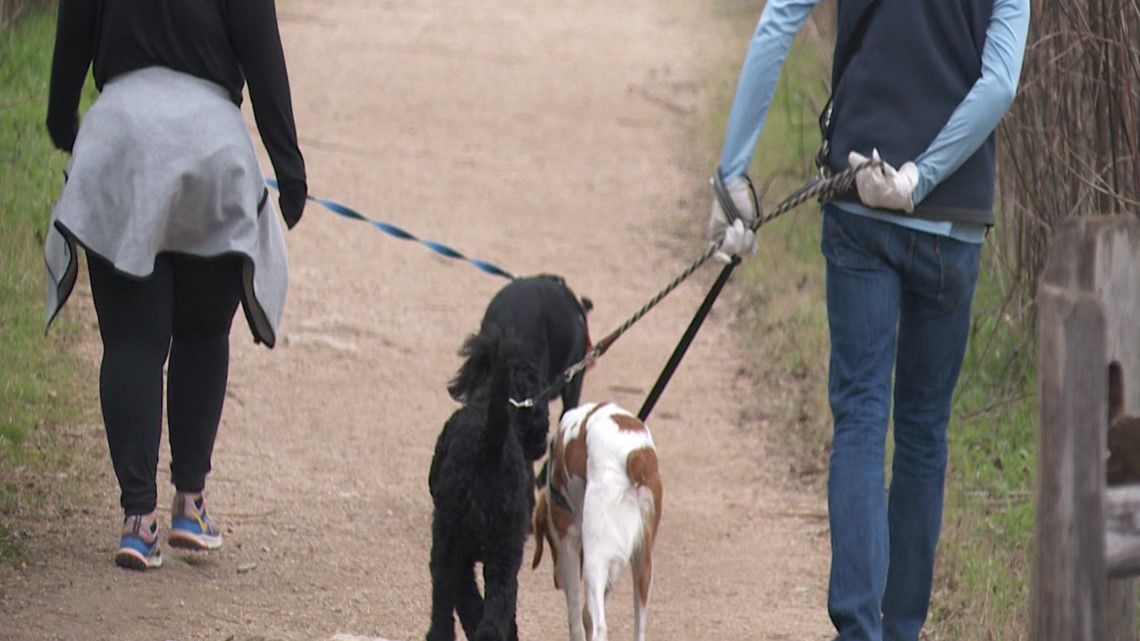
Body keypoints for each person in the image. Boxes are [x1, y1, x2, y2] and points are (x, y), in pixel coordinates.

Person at [706, 0, 1030, 639]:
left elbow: (780, 20)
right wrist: (922, 176)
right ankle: (900, 629)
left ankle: (859, 630)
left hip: (860, 209)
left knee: (860, 416)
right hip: (953, 224)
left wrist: (731, 176)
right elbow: (1000, 82)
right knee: (922, 433)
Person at [44, 0, 307, 571]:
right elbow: (262, 53)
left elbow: (74, 29)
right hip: (211, 147)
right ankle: (190, 503)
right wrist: (289, 170)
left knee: (132, 343)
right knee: (203, 331)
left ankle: (138, 523)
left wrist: (64, 121)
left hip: (123, 139)